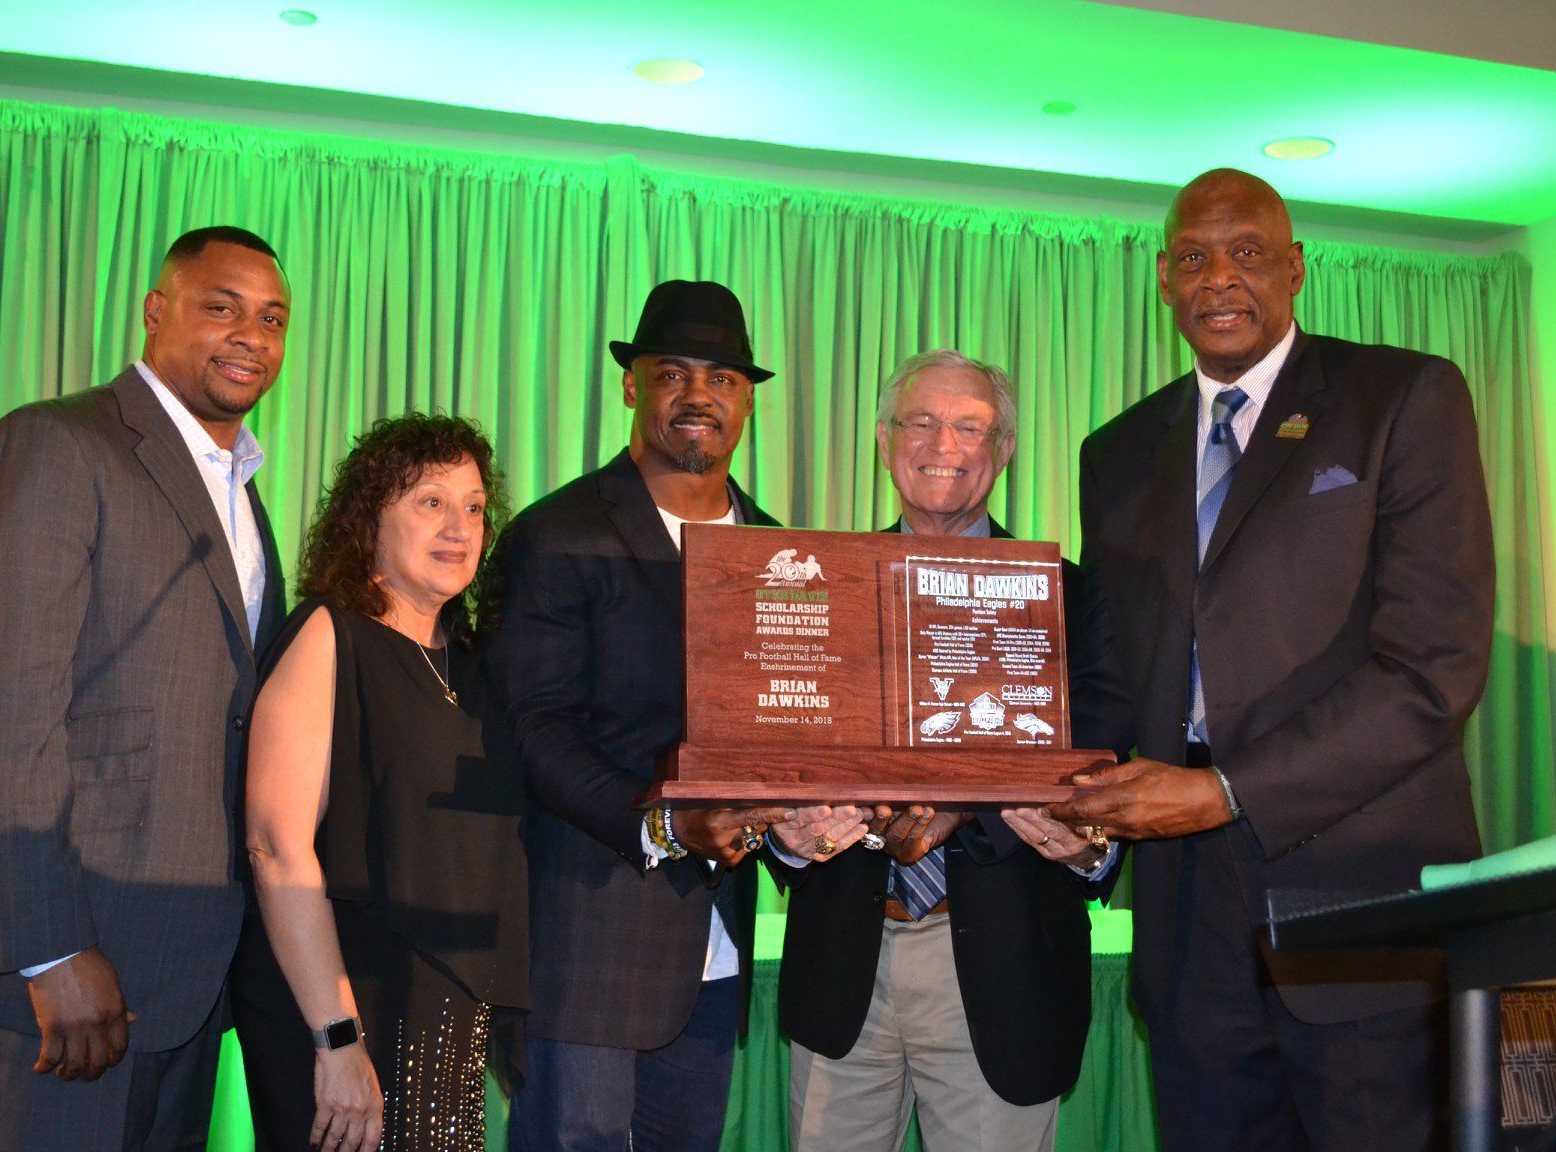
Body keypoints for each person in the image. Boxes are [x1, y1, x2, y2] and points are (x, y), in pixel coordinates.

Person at [1045, 168, 1494, 1151]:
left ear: (1295, 267)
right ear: (1163, 279)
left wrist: (1225, 791)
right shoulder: (1117, 451)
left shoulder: (1402, 397)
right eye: (1194, 257)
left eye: (1246, 252)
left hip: (1359, 908)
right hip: (1185, 922)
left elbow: (1432, 671)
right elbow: (1115, 676)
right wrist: (1050, 796)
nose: (1220, 277)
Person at [0, 226, 292, 1149]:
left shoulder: (241, 492)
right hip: (43, 990)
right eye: (220, 307)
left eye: (272, 319)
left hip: (181, 986)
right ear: (155, 312)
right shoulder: (54, 445)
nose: (250, 336)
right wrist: (50, 947)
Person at [483, 280, 865, 1152]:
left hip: (718, 949)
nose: (699, 395)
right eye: (673, 374)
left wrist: (796, 822)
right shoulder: (557, 533)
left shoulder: (782, 551)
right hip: (584, 943)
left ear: (748, 401)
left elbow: (785, 735)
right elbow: (532, 729)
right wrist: (663, 822)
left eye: (723, 378)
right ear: (632, 386)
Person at [773, 351, 1106, 1152]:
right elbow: (778, 758)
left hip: (1006, 977)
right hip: (842, 968)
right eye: (920, 422)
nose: (943, 445)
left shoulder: (1072, 596)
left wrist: (1084, 843)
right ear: (885, 440)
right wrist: (782, 838)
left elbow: (1103, 775)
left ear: (1005, 448)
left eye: (970, 427)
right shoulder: (818, 589)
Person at [232, 413, 528, 1152]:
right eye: (431, 502)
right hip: (342, 1005)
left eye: (474, 508)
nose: (459, 527)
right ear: (369, 520)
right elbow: (275, 846)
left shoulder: (476, 662)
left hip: (447, 1008)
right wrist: (336, 1040)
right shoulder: (328, 634)